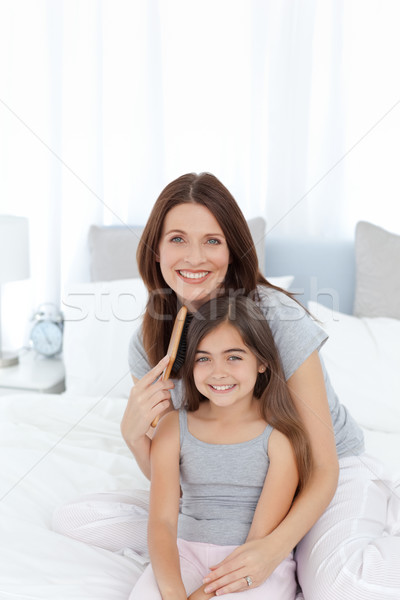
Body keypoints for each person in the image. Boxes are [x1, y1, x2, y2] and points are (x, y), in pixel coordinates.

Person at [53, 172, 400, 600]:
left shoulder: (276, 319)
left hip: (321, 476)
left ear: (233, 250)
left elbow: (324, 465)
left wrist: (269, 550)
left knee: (339, 585)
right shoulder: (148, 344)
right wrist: (132, 436)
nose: (194, 257)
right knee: (76, 519)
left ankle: (368, 515)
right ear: (155, 250)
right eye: (177, 239)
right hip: (220, 497)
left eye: (213, 241)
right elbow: (176, 473)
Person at [129, 294, 310, 600]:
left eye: (234, 357)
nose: (218, 372)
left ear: (262, 362)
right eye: (204, 358)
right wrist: (173, 592)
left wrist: (202, 595)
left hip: (251, 563)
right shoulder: (173, 427)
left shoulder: (280, 438)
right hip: (185, 552)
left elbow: (259, 541)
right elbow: (162, 520)